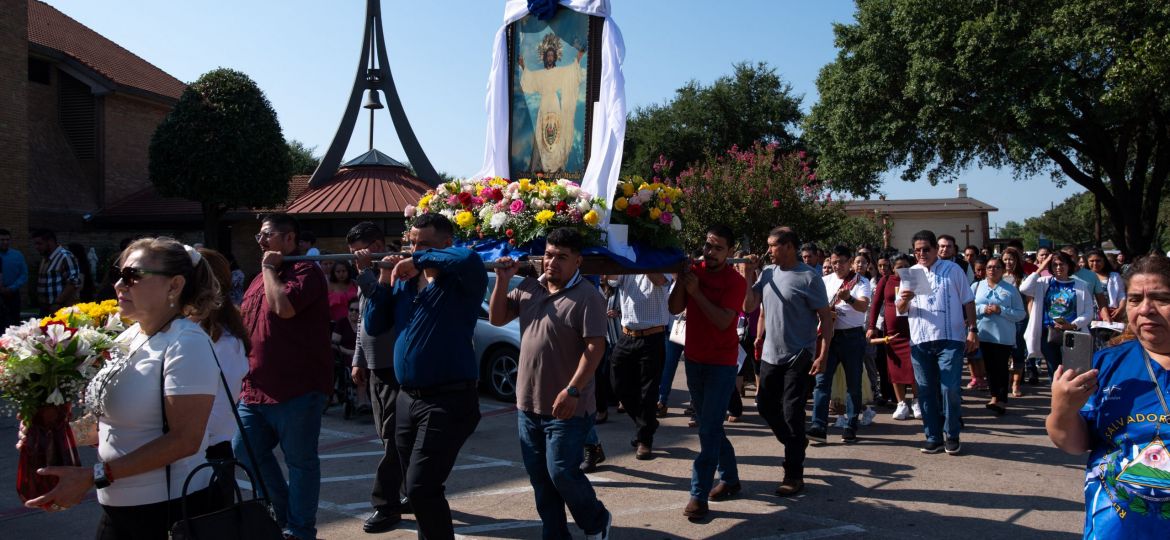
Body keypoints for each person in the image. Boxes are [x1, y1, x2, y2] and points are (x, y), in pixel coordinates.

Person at [25, 237, 221, 538]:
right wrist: (50, 434)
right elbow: (109, 421)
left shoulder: (187, 343)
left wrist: (94, 476)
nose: (119, 285)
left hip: (167, 511)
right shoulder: (129, 337)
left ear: (174, 285)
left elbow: (186, 440)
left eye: (133, 276)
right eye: (120, 274)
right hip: (120, 507)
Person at [366, 213, 486, 539]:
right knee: (417, 487)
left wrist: (415, 259)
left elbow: (468, 256)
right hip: (407, 398)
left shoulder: (462, 278)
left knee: (421, 488)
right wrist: (379, 276)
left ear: (446, 244)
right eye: (412, 243)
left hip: (448, 399)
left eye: (425, 245)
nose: (415, 250)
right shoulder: (403, 282)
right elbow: (374, 326)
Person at [489, 227, 612, 540]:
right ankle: (555, 534)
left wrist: (573, 390)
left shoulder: (587, 297)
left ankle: (596, 520)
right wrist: (503, 280)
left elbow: (595, 347)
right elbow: (497, 319)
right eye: (549, 254)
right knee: (541, 478)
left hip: (568, 407)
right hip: (527, 405)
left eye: (561, 257)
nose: (552, 262)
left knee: (562, 473)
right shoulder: (530, 287)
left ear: (578, 261)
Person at [1047, 254, 1170, 538]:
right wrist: (1063, 410)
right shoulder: (1104, 365)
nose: (1146, 309)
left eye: (1161, 299)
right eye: (1136, 299)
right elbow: (1075, 445)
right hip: (1117, 527)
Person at [237, 213, 333, 540]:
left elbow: (284, 308)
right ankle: (283, 514)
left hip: (297, 388)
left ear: (289, 239)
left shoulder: (306, 271)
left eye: (267, 235)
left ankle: (300, 529)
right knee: (244, 450)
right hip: (253, 389)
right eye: (259, 237)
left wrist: (267, 268)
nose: (261, 242)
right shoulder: (256, 280)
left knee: (300, 463)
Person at [743, 227, 832, 496]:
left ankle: (793, 473)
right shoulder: (768, 273)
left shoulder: (809, 278)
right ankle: (796, 443)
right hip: (771, 354)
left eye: (773, 246)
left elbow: (826, 319)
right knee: (765, 407)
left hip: (799, 354)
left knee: (792, 413)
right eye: (769, 245)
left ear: (790, 246)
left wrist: (822, 354)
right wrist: (749, 275)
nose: (769, 250)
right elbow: (748, 307)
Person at [668, 224, 746, 520]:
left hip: (722, 364)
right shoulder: (694, 271)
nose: (710, 252)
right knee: (710, 425)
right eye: (708, 246)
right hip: (694, 360)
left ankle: (698, 495)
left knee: (708, 429)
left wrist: (697, 293)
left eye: (717, 248)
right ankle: (731, 478)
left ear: (730, 252)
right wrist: (680, 281)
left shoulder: (734, 282)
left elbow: (724, 321)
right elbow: (674, 308)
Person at [347, 221, 410, 533]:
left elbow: (383, 304)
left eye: (361, 250)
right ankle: (408, 490)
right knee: (391, 437)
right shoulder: (368, 276)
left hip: (394, 369)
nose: (357, 257)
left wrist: (368, 273)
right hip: (375, 367)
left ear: (376, 246)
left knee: (393, 438)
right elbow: (363, 321)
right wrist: (359, 359)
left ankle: (386, 505)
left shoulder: (396, 271)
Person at [896, 230, 978, 455]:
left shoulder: (953, 270)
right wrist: (905, 300)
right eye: (917, 250)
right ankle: (933, 437)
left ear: (935, 249)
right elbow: (901, 310)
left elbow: (968, 301)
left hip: (950, 339)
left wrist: (973, 330)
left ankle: (951, 434)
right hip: (920, 341)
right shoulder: (911, 274)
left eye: (926, 249)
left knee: (950, 389)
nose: (921, 254)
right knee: (925, 391)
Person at [190, 248, 250, 502]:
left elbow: (219, 415)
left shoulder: (225, 342)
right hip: (190, 452)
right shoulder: (185, 333)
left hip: (208, 455)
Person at [605, 268, 672, 460]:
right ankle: (648, 424)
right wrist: (610, 261)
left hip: (653, 336)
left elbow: (660, 279)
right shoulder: (627, 264)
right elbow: (611, 278)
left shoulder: (658, 262)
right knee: (618, 384)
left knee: (648, 392)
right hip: (627, 335)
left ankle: (645, 440)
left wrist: (643, 261)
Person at [809, 245, 871, 444]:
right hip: (828, 336)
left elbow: (863, 307)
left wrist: (849, 298)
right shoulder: (824, 280)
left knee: (853, 383)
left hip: (852, 337)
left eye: (841, 262)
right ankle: (818, 426)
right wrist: (826, 315)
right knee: (822, 381)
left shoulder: (861, 282)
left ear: (850, 262)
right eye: (834, 262)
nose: (837, 266)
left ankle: (850, 425)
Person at [1018, 251, 1095, 382]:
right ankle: (1057, 397)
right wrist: (1041, 267)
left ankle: (1072, 399)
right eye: (1054, 265)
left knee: (1072, 370)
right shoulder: (1043, 282)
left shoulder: (1080, 285)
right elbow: (1024, 288)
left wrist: (1073, 325)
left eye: (1062, 264)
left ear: (1069, 266)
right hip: (1049, 334)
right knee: (1055, 370)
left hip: (1072, 333)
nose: (1058, 267)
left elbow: (1089, 312)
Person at [518, 32, 586, 174]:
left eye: (551, 55)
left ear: (555, 57)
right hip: (544, 104)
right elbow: (530, 80)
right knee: (541, 132)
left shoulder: (559, 71)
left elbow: (571, 72)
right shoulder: (540, 74)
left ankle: (556, 165)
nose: (549, 58)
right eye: (547, 55)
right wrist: (523, 65)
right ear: (544, 57)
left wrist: (579, 56)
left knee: (556, 131)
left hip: (555, 103)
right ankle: (540, 166)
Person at [869, 254, 921, 420]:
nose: (902, 269)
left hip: (913, 330)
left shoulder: (916, 280)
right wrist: (871, 327)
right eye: (899, 266)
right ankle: (901, 403)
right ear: (893, 267)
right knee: (895, 368)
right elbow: (876, 304)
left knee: (914, 367)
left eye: (906, 265)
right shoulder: (885, 281)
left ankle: (917, 401)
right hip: (892, 332)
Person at [971, 257, 1026, 415]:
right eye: (989, 267)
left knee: (1001, 368)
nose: (992, 270)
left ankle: (1001, 400)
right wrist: (982, 309)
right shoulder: (976, 286)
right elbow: (969, 307)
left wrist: (1001, 310)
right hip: (984, 334)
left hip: (1003, 337)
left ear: (1002, 270)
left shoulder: (1011, 290)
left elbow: (1021, 314)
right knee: (989, 368)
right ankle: (994, 396)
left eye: (996, 267)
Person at [1001, 247, 1032, 397]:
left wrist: (1031, 318)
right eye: (1005, 259)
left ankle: (1016, 384)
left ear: (1017, 261)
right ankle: (1005, 381)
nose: (1008, 262)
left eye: (1011, 259)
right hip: (1001, 319)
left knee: (1018, 351)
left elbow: (1029, 300)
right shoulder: (998, 276)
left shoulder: (1023, 277)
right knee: (1003, 352)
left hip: (1019, 319)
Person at [33, 228, 81, 314]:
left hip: (60, 308)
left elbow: (73, 282)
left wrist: (57, 302)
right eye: (35, 244)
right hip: (46, 307)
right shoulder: (46, 258)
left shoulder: (65, 256)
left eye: (39, 244)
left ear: (50, 242)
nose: (37, 247)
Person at [1063, 245, 1112, 322]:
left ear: (1078, 258)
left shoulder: (1091, 275)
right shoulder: (1057, 276)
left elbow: (1101, 300)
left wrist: (1105, 316)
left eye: (1071, 256)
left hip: (1085, 321)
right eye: (1064, 257)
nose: (1068, 259)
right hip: (1063, 321)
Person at [0, 228, 29, 329]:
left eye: (7, 240)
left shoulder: (17, 255)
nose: (5, 242)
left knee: (14, 322)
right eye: (2, 240)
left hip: (13, 293)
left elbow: (24, 274)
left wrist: (12, 287)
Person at [1086, 249, 1124, 322]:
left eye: (1098, 261)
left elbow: (1121, 294)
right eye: (1092, 261)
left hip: (1111, 314)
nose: (1095, 264)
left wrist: (1121, 308)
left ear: (1104, 261)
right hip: (1089, 315)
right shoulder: (1083, 277)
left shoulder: (1114, 276)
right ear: (1087, 262)